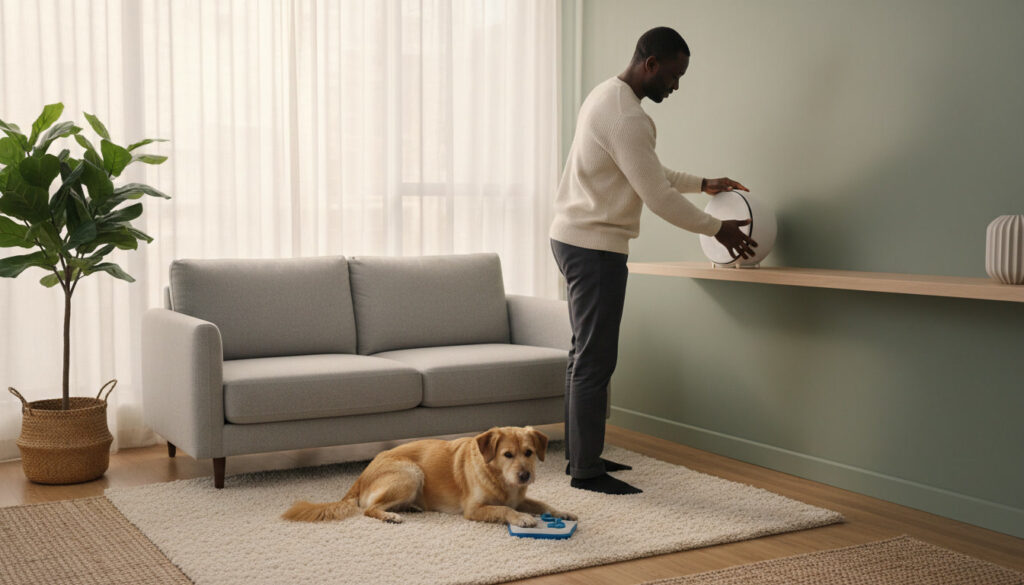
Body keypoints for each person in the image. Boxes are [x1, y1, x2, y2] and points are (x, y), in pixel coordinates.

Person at [550, 26, 757, 495]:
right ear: (650, 64)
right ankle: (585, 471)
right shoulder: (627, 117)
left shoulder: (608, 96)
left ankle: (580, 457)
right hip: (594, 247)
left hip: (573, 238)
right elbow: (656, 195)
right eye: (674, 75)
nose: (676, 86)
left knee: (584, 353)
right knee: (595, 358)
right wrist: (717, 229)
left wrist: (702, 183)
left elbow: (644, 168)